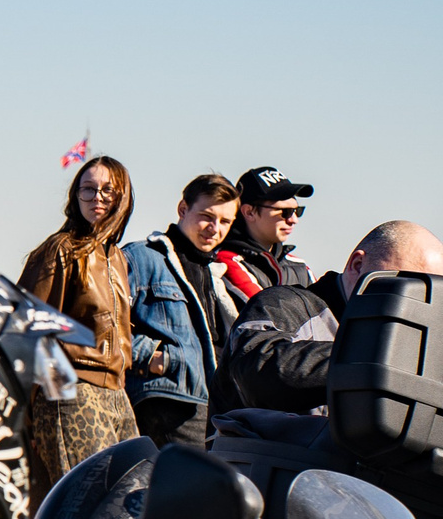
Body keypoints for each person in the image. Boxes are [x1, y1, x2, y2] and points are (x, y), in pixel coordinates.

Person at [211, 220, 443, 416]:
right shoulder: (284, 304)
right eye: (406, 283)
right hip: (267, 465)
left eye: (427, 293)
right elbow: (258, 374)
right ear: (358, 265)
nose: (415, 299)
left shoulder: (412, 341)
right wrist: (378, 356)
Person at [16, 156, 138, 513]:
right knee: (85, 508)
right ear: (75, 195)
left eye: (107, 189)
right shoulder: (60, 249)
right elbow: (27, 326)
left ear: (123, 197)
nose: (97, 196)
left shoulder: (116, 256)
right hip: (71, 390)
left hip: (116, 392)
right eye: (88, 188)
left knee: (130, 501)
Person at [121, 173, 239, 450]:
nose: (215, 228)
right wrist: (155, 358)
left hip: (211, 404)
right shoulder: (141, 257)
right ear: (183, 209)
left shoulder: (214, 273)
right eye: (207, 216)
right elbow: (103, 325)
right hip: (169, 398)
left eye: (225, 222)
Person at [218, 167, 315, 306]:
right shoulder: (226, 262)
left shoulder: (300, 266)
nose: (293, 220)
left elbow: (325, 317)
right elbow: (268, 315)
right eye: (285, 212)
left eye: (297, 211)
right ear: (249, 212)